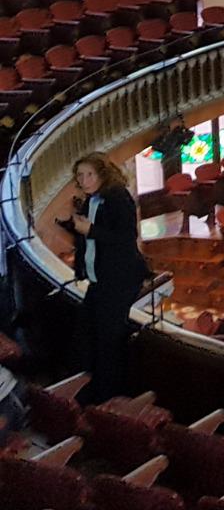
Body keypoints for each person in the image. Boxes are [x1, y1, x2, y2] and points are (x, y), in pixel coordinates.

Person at [65, 152, 149, 404]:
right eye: (80, 175)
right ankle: (92, 390)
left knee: (108, 340)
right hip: (99, 279)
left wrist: (89, 229)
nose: (84, 179)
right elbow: (93, 241)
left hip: (119, 279)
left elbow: (125, 236)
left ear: (103, 173)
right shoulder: (92, 199)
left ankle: (109, 396)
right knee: (89, 333)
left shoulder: (117, 197)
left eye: (89, 174)